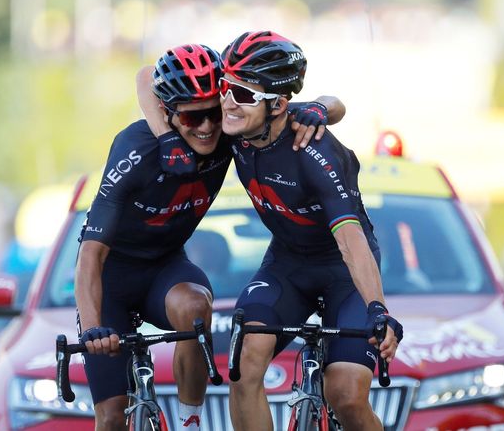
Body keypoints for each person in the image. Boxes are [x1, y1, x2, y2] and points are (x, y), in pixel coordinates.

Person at [76, 43, 344, 431]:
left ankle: (190, 422)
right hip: (109, 278)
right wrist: (94, 324)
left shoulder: (232, 133)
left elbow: (330, 106)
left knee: (193, 306)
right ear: (168, 113)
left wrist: (321, 109)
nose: (205, 127)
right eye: (190, 117)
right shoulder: (135, 149)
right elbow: (90, 256)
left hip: (164, 268)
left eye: (212, 113)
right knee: (112, 415)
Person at [218, 31, 404, 431]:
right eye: (224, 86)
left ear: (278, 105)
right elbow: (148, 79)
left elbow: (351, 240)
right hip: (288, 265)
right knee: (243, 364)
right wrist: (322, 104)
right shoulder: (232, 127)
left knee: (346, 393)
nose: (228, 102)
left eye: (243, 94)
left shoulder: (314, 153)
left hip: (343, 270)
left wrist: (378, 310)